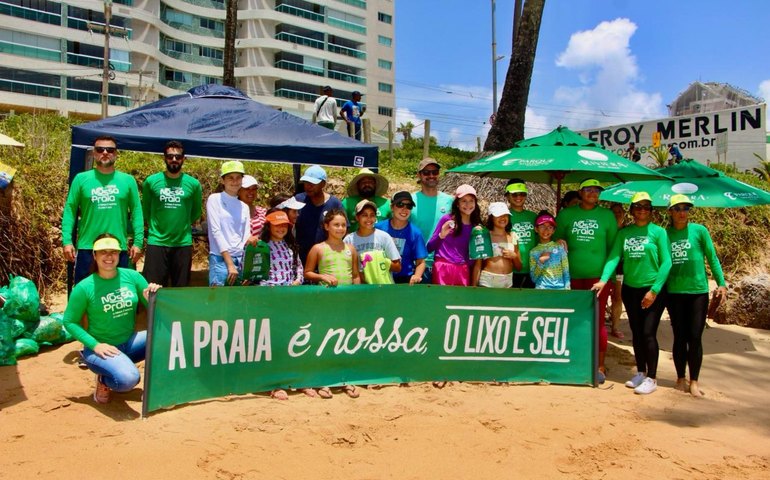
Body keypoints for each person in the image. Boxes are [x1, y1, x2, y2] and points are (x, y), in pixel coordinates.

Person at [62, 233, 161, 404]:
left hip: (129, 342)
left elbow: (157, 309)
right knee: (128, 380)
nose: (109, 257)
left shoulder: (132, 277)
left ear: (119, 254)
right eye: (103, 252)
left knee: (164, 337)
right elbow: (69, 321)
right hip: (100, 350)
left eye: (113, 252)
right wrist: (95, 345)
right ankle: (104, 380)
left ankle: (157, 387)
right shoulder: (84, 287)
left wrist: (154, 295)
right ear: (94, 255)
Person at [593, 192, 672, 395]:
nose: (642, 210)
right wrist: (603, 279)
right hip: (630, 289)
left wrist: (654, 291)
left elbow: (667, 263)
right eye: (638, 206)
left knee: (648, 333)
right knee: (637, 333)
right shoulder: (624, 233)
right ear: (632, 210)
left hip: (652, 289)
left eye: (646, 207)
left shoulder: (658, 232)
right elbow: (614, 257)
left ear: (651, 211)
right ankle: (641, 372)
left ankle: (652, 378)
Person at [555, 179, 618, 382]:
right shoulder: (566, 215)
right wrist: (557, 241)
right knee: (572, 320)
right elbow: (554, 241)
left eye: (597, 190)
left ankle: (599, 365)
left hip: (597, 280)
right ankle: (573, 359)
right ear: (580, 192)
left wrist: (605, 279)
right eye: (588, 189)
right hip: (569, 278)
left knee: (597, 322)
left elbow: (613, 252)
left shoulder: (607, 216)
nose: (592, 193)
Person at [665, 194, 727, 398]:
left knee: (695, 337)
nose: (682, 212)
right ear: (670, 212)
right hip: (674, 292)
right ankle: (680, 378)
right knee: (679, 337)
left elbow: (712, 257)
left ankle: (694, 382)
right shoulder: (664, 235)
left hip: (698, 292)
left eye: (686, 208)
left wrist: (722, 284)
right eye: (678, 208)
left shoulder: (699, 231)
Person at [62, 136, 144, 285]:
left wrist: (138, 243)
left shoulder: (128, 180)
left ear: (116, 154)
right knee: (85, 297)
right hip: (88, 248)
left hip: (117, 248)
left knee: (118, 296)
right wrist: (67, 241)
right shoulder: (81, 179)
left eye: (110, 150)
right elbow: (70, 210)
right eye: (100, 149)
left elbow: (137, 212)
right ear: (94, 153)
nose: (105, 152)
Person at [141, 140, 202, 287]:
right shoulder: (151, 181)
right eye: (170, 156)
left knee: (180, 290)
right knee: (152, 289)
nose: (174, 159)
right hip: (157, 242)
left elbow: (195, 212)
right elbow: (146, 210)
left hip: (182, 243)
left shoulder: (193, 184)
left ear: (183, 159)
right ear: (164, 158)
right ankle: (153, 312)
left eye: (178, 157)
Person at [206, 161, 258, 286]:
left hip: (240, 259)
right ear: (223, 180)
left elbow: (245, 235)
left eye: (238, 177)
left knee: (238, 301)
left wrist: (247, 267)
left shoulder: (244, 206)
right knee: (219, 301)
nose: (235, 181)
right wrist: (229, 264)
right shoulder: (214, 199)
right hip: (220, 259)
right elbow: (216, 232)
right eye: (230, 178)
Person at [427, 184, 481, 286]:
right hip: (443, 268)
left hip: (463, 270)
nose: (468, 204)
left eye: (471, 200)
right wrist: (441, 235)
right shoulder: (447, 220)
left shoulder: (476, 227)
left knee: (459, 302)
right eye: (464, 201)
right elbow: (429, 247)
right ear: (457, 204)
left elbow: (473, 257)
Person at [411, 158, 453, 283]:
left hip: (444, 263)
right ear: (419, 175)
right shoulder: (410, 201)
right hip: (418, 264)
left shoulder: (450, 200)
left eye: (434, 172)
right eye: (426, 173)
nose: (431, 176)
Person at [294, 165, 343, 266]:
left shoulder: (335, 204)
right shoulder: (298, 200)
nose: (308, 186)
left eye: (313, 183)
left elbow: (344, 230)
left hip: (327, 260)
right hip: (301, 259)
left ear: (323, 184)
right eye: (306, 183)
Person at [376, 191, 427, 285]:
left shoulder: (416, 233)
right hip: (380, 278)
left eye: (409, 206)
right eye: (400, 204)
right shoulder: (378, 228)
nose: (404, 209)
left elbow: (421, 262)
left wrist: (417, 276)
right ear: (392, 207)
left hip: (404, 280)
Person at [344, 200, 401, 284]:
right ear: (357, 217)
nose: (369, 218)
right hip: (361, 289)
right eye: (364, 215)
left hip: (383, 288)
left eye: (372, 215)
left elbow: (398, 266)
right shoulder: (348, 240)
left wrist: (378, 260)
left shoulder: (384, 237)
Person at [304, 209, 361, 288]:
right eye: (336, 225)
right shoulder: (317, 248)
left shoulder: (351, 249)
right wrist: (322, 277)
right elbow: (307, 273)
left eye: (343, 225)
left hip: (348, 296)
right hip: (327, 295)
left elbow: (355, 276)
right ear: (327, 226)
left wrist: (356, 293)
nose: (341, 228)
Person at [472, 202, 521, 288]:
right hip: (487, 281)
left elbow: (519, 267)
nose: (503, 218)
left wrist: (514, 256)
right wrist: (473, 287)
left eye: (505, 215)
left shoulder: (513, 236)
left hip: (508, 282)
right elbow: (478, 265)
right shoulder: (484, 236)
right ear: (491, 217)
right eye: (498, 215)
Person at [505, 180, 538, 288]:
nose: (518, 197)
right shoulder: (503, 217)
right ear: (507, 196)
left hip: (533, 269)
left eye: (522, 194)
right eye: (514, 194)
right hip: (510, 270)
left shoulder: (533, 217)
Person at [529, 212, 570, 290]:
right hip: (541, 289)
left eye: (550, 227)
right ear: (536, 229)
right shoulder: (533, 252)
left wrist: (567, 288)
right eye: (542, 226)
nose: (546, 230)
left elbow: (566, 271)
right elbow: (533, 279)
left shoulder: (560, 247)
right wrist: (540, 262)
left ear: (554, 230)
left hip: (560, 289)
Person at [341, 168, 391, 232]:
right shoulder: (347, 203)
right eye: (363, 182)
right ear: (358, 185)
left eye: (370, 182)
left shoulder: (386, 204)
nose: (367, 184)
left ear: (375, 184)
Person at [608, 202, 627, 339]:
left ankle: (615, 327)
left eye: (619, 212)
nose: (617, 214)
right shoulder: (606, 227)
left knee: (617, 296)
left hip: (620, 268)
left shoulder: (627, 230)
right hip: (604, 266)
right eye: (614, 212)